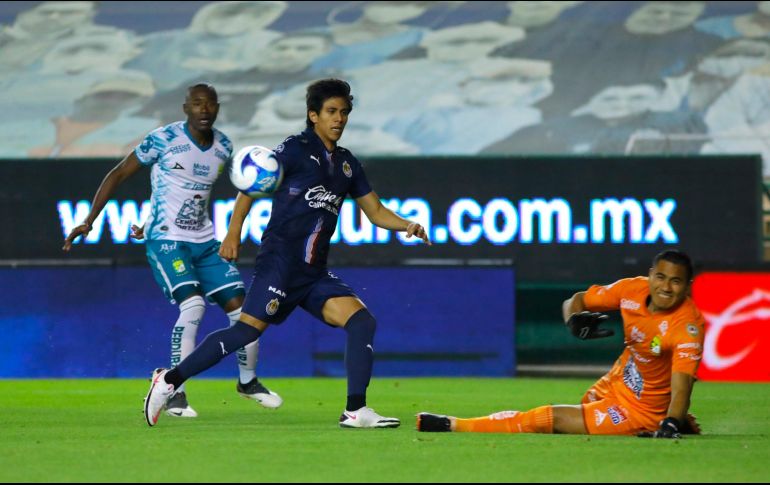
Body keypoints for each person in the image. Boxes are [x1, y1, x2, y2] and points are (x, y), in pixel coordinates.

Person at [143, 78, 431, 428]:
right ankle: (169, 380)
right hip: (279, 264)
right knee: (245, 332)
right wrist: (233, 233)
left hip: (313, 273)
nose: (338, 119)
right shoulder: (295, 150)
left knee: (361, 322)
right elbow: (251, 185)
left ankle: (356, 410)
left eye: (343, 112)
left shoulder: (347, 165)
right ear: (313, 115)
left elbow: (375, 212)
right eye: (330, 112)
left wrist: (407, 225)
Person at [62, 83, 281, 418]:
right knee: (193, 306)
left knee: (243, 311)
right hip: (166, 239)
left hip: (205, 241)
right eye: (197, 104)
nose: (204, 110)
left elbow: (212, 193)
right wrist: (89, 220)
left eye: (209, 104)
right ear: (185, 109)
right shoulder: (164, 139)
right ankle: (174, 391)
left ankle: (248, 382)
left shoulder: (223, 146)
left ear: (217, 108)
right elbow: (119, 173)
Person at [417, 250, 705, 438]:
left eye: (676, 281)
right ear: (651, 274)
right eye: (661, 277)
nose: (665, 287)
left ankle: (453, 424)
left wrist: (671, 422)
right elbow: (575, 300)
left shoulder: (687, 328)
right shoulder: (632, 289)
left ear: (688, 285)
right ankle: (667, 419)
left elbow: (682, 386)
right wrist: (573, 320)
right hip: (616, 383)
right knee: (580, 417)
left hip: (640, 408)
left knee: (551, 419)